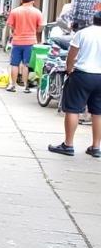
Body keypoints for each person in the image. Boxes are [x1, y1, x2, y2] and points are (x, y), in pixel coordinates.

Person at [48, 12, 101, 158]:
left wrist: (69, 69)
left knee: (73, 109)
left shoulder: (83, 33)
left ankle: (68, 144)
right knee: (98, 112)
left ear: (93, 20)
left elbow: (72, 54)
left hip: (82, 75)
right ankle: (96, 147)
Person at [6, 0, 43, 93]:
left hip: (17, 41)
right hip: (31, 42)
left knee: (14, 64)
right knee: (26, 65)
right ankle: (26, 87)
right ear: (33, 1)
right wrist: (34, 30)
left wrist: (15, 31)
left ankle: (13, 85)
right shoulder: (37, 12)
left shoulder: (15, 11)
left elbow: (10, 25)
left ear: (22, 0)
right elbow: (41, 27)